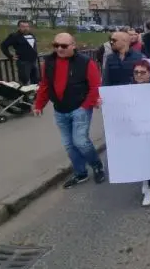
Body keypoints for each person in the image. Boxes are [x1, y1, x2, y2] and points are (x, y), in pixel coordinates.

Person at [33, 33, 106, 189]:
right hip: (60, 109)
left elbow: (95, 86)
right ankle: (81, 173)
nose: (59, 49)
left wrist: (85, 106)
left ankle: (97, 166)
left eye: (64, 46)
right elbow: (45, 85)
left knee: (80, 141)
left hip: (80, 108)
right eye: (56, 45)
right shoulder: (49, 62)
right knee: (69, 145)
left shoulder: (86, 62)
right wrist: (39, 104)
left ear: (73, 45)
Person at [130, 60, 150, 206]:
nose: (139, 75)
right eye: (136, 72)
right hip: (137, 128)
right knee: (141, 154)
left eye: (143, 72)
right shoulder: (128, 87)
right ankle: (146, 179)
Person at [0, 20, 39, 85]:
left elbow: (32, 47)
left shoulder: (31, 35)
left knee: (36, 81)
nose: (26, 28)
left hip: (33, 61)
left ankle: (35, 94)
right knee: (24, 81)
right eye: (23, 26)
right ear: (19, 27)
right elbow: (3, 45)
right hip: (23, 63)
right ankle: (25, 94)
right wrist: (10, 56)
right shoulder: (14, 36)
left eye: (27, 26)